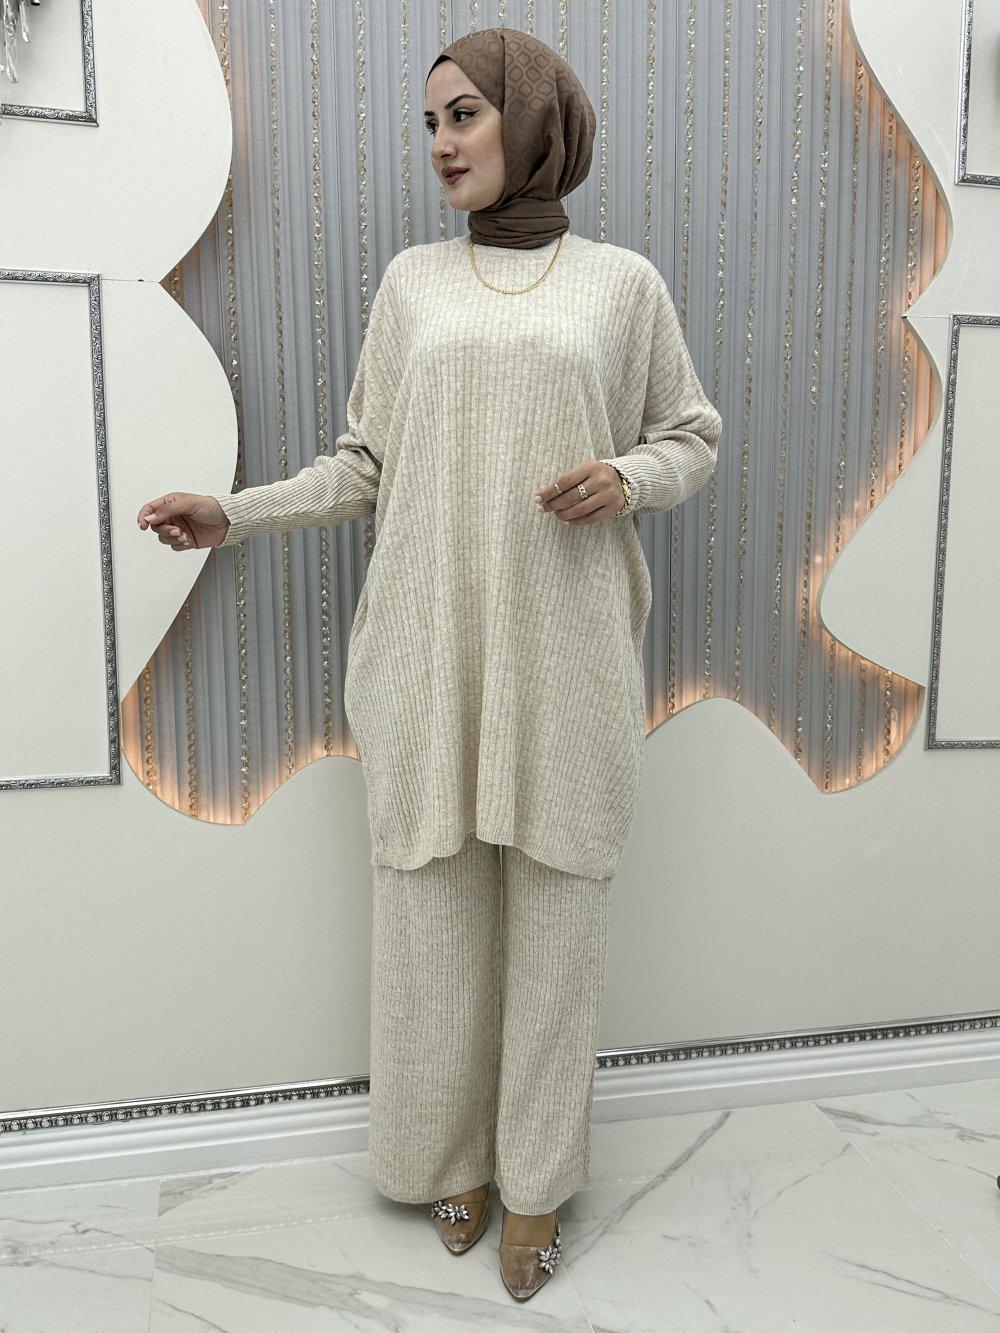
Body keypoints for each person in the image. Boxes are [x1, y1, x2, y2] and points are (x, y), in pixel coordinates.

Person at [137, 26, 722, 1305]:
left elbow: (691, 436)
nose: (443, 143)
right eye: (431, 123)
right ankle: (444, 1157)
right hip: (425, 647)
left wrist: (627, 475)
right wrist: (234, 511)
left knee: (558, 926)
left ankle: (538, 1181)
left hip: (566, 656)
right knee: (430, 925)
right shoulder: (413, 285)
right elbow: (364, 463)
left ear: (533, 120)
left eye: (465, 115)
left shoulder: (621, 286)